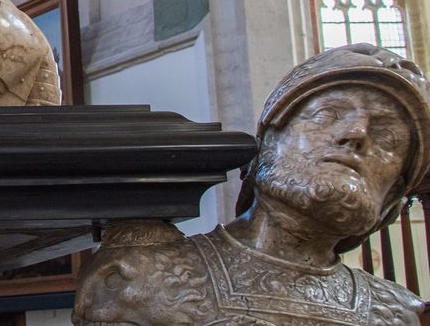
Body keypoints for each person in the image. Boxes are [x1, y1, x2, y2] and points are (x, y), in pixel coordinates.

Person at [74, 43, 430, 326]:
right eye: (327, 115)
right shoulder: (138, 280)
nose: (355, 134)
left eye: (387, 137)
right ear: (266, 143)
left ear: (394, 196)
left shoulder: (399, 314)